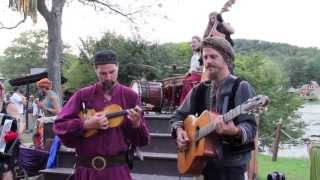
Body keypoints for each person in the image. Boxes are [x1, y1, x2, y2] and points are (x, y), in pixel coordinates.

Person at [54, 50, 150, 180]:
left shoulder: (130, 96)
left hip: (117, 172)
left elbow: (142, 140)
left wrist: (136, 124)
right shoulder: (83, 95)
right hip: (86, 171)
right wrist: (85, 125)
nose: (108, 77)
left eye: (112, 72)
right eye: (103, 73)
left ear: (118, 67)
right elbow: (59, 125)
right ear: (95, 70)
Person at [171, 37, 257, 180]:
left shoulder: (241, 87)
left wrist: (235, 131)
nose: (208, 61)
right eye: (205, 57)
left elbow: (250, 128)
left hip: (231, 168)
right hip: (204, 165)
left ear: (226, 59)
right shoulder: (199, 89)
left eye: (213, 56)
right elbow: (177, 116)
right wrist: (179, 131)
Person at [0, 82, 21, 180]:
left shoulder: (9, 106)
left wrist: (15, 134)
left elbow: (21, 122)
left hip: (7, 147)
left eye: (1, 89)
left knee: (5, 169)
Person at [179, 36, 203, 104]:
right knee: (184, 81)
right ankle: (183, 104)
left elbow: (204, 68)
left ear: (200, 43)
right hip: (193, 75)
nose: (192, 44)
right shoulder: (193, 56)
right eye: (191, 43)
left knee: (187, 81)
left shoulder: (202, 54)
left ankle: (192, 101)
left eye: (194, 42)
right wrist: (188, 72)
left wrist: (198, 69)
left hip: (200, 75)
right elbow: (192, 68)